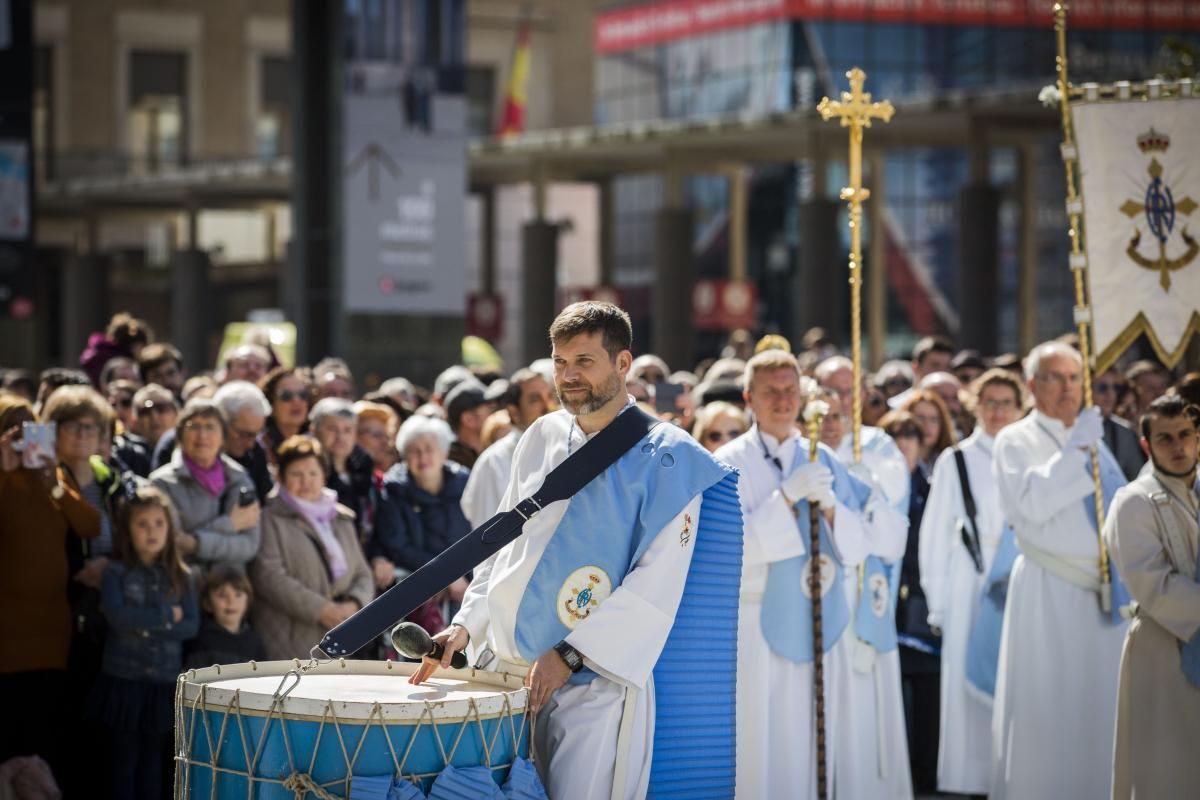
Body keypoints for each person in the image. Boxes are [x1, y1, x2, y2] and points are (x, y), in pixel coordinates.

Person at [413, 302, 741, 800]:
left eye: (584, 362)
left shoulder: (672, 459)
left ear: (623, 363)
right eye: (560, 362)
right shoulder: (540, 435)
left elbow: (655, 586)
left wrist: (569, 654)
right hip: (506, 669)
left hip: (592, 684)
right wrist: (466, 625)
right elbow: (503, 548)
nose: (568, 376)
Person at [714, 351, 905, 799]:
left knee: (811, 737)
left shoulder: (822, 457)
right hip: (757, 621)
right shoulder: (727, 462)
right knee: (764, 738)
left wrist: (834, 507)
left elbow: (859, 548)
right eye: (771, 391)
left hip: (817, 616)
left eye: (790, 390)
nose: (783, 400)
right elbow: (730, 551)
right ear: (749, 398)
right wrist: (785, 497)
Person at [990, 341, 1128, 799]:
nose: (1068, 388)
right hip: (1049, 589)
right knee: (1049, 708)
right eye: (1055, 377)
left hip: (1104, 596)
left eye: (1074, 377)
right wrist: (1077, 448)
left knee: (1101, 710)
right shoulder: (1015, 439)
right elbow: (1031, 503)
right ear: (1031, 386)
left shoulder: (1092, 437)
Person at [917, 369, 1025, 795]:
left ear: (1020, 408)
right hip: (968, 580)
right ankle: (969, 777)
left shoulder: (1028, 457)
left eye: (1007, 403)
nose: (998, 411)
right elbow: (934, 533)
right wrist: (938, 602)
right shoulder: (955, 459)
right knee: (965, 677)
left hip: (1017, 578)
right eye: (990, 402)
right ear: (975, 405)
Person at [0, 393, 100, 789]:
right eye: (14, 430)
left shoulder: (50, 475)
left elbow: (90, 525)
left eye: (31, 428)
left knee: (41, 738)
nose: (23, 438)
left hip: (50, 633)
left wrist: (50, 483)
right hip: (6, 635)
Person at [1104, 395, 1200, 798]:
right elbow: (1153, 585)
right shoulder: (1133, 502)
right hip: (1163, 648)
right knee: (1167, 770)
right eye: (1165, 439)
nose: (1177, 447)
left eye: (1185, 435)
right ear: (1146, 445)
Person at [88, 485, 197, 800]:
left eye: (159, 523)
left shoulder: (181, 575)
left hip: (162, 684)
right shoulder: (116, 573)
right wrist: (165, 615)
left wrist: (143, 622)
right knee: (122, 763)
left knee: (154, 765)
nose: (152, 531)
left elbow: (189, 626)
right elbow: (118, 618)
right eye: (142, 524)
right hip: (124, 683)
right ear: (127, 530)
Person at [250, 436, 373, 660]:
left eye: (313, 473)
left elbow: (363, 573)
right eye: (296, 474)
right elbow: (269, 576)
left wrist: (354, 605)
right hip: (290, 638)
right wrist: (321, 610)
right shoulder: (269, 517)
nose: (306, 481)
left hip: (342, 634)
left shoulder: (341, 517)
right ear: (280, 477)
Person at [367, 416, 471, 633]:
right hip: (418, 599)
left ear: (443, 452)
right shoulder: (393, 490)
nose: (422, 456)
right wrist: (446, 575)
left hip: (467, 590)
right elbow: (397, 546)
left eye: (429, 449)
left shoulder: (466, 484)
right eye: (414, 450)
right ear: (404, 456)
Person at [150, 399, 261, 572]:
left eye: (210, 427)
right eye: (194, 427)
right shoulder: (162, 483)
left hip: (230, 590)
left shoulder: (239, 479)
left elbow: (248, 546)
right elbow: (174, 544)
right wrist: (229, 524)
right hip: (186, 586)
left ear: (223, 438)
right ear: (180, 436)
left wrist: (196, 543)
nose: (202, 435)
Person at [461, 368, 554, 528]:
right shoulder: (494, 461)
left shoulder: (562, 449)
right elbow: (487, 534)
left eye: (550, 397)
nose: (547, 406)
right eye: (534, 399)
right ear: (514, 411)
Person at [184, 564, 267, 669]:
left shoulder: (254, 643)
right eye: (222, 595)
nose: (231, 601)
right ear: (207, 604)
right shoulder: (201, 640)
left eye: (238, 595)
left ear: (248, 601)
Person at [310, 398, 374, 526]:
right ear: (315, 430)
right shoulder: (308, 473)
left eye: (347, 430)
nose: (340, 437)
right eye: (332, 429)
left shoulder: (363, 472)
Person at [1094, 365, 1145, 480]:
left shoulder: (1125, 433)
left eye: (1116, 387)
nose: (1111, 394)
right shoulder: (1069, 430)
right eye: (1102, 388)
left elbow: (1136, 479)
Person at [259, 366, 312, 468]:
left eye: (302, 395)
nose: (296, 401)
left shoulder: (316, 443)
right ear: (270, 404)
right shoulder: (260, 446)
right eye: (286, 396)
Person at [889, 335, 955, 409]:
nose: (942, 372)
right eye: (935, 365)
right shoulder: (895, 407)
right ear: (916, 367)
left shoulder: (957, 409)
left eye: (947, 367)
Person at [444, 379, 492, 469]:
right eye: (491, 409)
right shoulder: (450, 466)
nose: (498, 415)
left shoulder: (493, 454)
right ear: (469, 419)